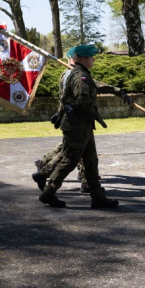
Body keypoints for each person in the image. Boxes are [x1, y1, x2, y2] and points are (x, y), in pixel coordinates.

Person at [38, 45, 119, 208]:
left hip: (83, 125)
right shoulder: (80, 76)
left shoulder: (82, 74)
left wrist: (117, 90)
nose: (93, 59)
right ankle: (48, 192)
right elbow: (82, 101)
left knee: (90, 160)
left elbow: (96, 86)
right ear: (82, 59)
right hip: (77, 125)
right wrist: (94, 112)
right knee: (69, 160)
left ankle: (97, 197)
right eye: (91, 57)